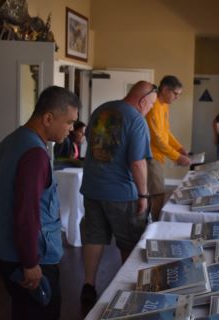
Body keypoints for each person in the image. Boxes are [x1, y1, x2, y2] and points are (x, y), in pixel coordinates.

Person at [0, 86, 81, 320]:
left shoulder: (12, 140)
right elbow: (27, 213)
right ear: (48, 118)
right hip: (30, 257)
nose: (71, 129)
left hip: (6, 249)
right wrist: (30, 262)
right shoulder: (35, 153)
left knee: (23, 311)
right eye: (69, 122)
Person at [79, 81, 157, 309]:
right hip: (121, 193)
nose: (150, 109)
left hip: (92, 188)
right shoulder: (136, 120)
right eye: (150, 104)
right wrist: (143, 195)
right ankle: (126, 291)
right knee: (129, 242)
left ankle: (88, 286)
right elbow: (137, 162)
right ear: (142, 100)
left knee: (94, 237)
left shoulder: (101, 111)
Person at [145, 75, 191, 221]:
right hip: (150, 156)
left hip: (159, 156)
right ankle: (156, 226)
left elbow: (166, 132)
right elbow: (157, 140)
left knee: (156, 193)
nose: (177, 98)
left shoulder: (164, 105)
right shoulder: (153, 107)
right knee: (157, 194)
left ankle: (150, 222)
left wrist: (179, 148)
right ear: (165, 90)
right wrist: (177, 157)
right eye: (175, 94)